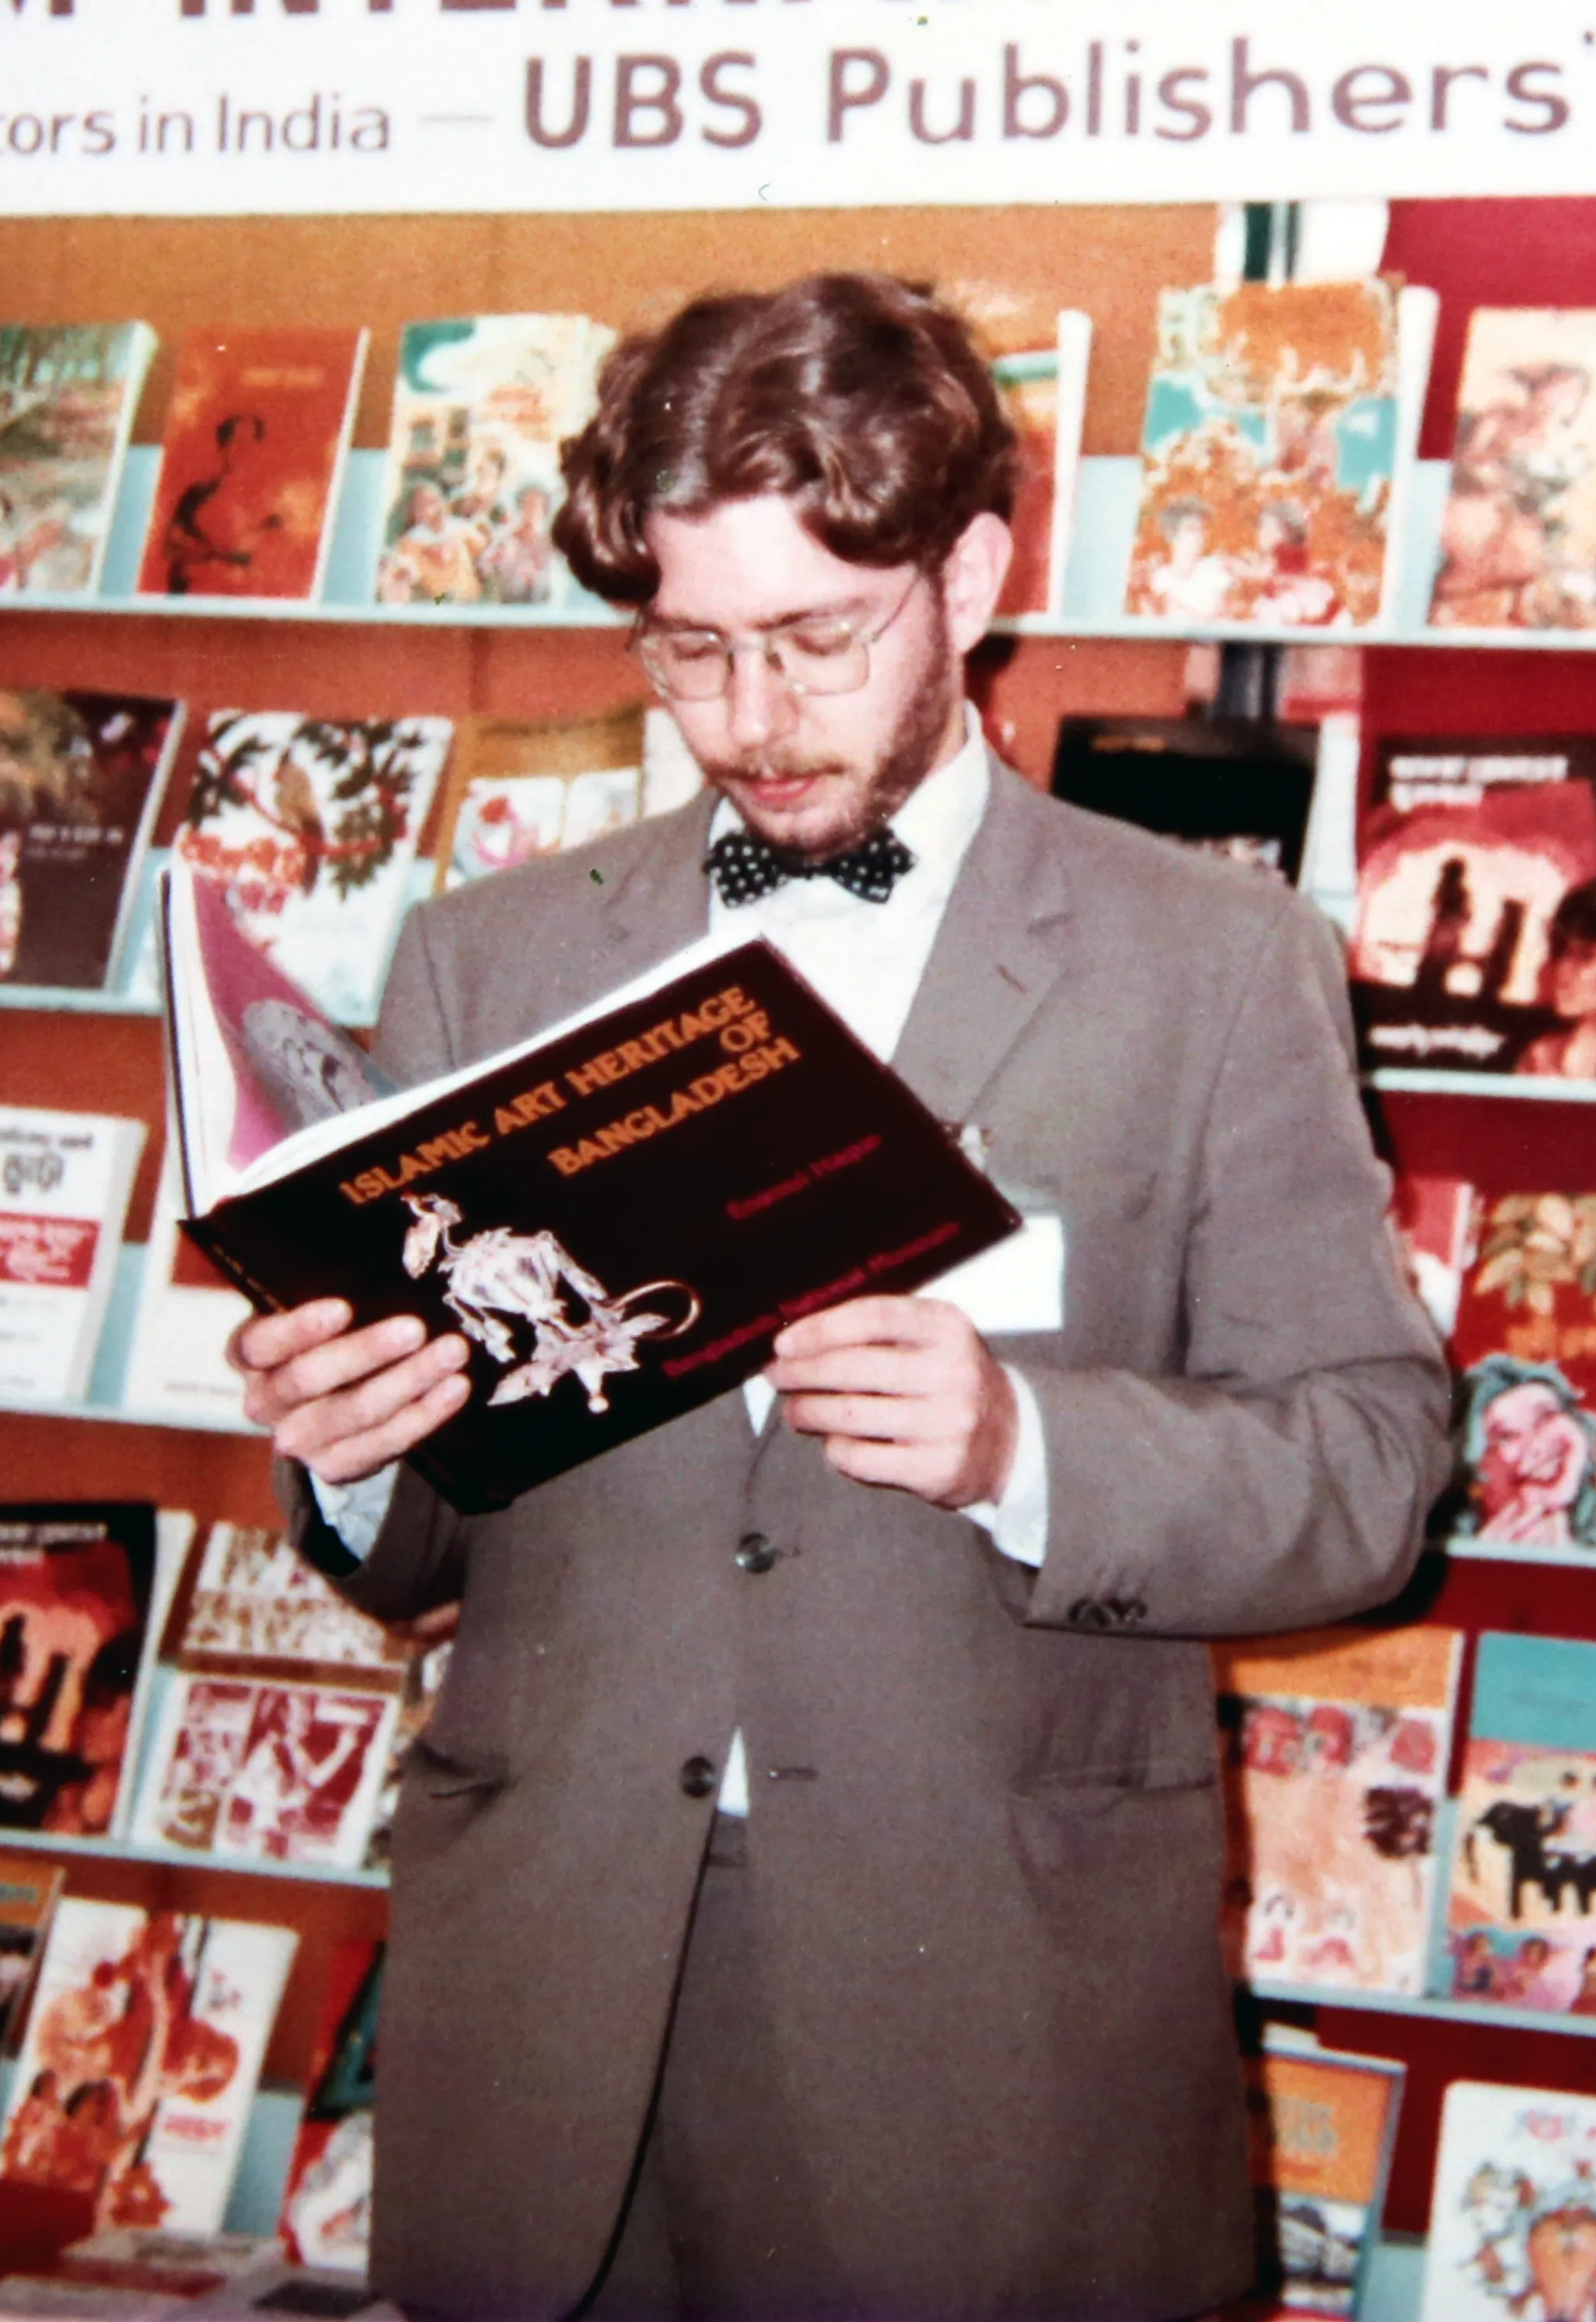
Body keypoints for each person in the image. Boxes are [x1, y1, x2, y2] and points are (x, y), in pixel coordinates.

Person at [230, 274, 1451, 2322]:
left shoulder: (1212, 963)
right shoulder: (486, 960)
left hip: (984, 2009)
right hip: (546, 2004)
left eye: (815, 639)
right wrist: (356, 1462)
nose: (750, 721)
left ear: (970, 573)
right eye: (688, 652)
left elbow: (1368, 1472)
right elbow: (434, 1533)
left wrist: (1022, 1446)